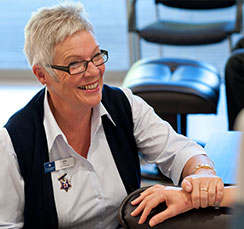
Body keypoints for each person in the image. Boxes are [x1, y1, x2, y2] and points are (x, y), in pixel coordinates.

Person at [0, 2, 223, 229]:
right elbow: (6, 225)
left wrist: (201, 173)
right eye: (75, 64)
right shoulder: (14, 141)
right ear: (42, 74)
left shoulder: (124, 106)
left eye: (97, 56)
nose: (94, 72)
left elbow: (180, 151)